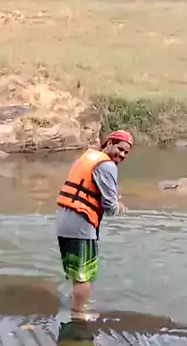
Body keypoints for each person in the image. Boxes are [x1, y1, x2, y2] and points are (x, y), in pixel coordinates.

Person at [54, 130, 133, 321]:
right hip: (81, 224)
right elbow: (110, 208)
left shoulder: (87, 157)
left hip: (64, 221)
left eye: (126, 153)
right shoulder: (107, 165)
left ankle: (76, 305)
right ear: (109, 143)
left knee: (77, 271)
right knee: (85, 274)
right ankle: (78, 314)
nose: (122, 155)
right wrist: (119, 205)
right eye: (120, 149)